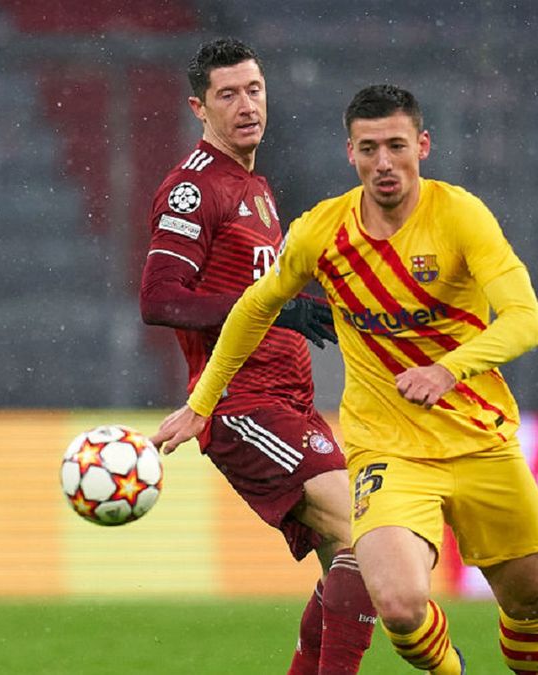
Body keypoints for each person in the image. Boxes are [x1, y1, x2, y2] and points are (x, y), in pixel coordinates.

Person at [152, 83, 538, 675]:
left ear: (422, 145)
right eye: (368, 149)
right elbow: (253, 308)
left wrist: (449, 369)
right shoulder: (323, 231)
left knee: (531, 600)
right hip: (388, 451)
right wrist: (202, 401)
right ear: (351, 154)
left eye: (396, 146)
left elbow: (526, 320)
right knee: (398, 605)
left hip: (481, 440)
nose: (384, 163)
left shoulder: (460, 216)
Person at [137, 38, 375, 675]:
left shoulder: (256, 186)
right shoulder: (195, 189)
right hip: (244, 406)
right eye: (228, 94)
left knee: (346, 564)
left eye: (255, 89)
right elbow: (160, 299)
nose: (246, 105)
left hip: (289, 402)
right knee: (368, 537)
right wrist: (269, 305)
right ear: (199, 107)